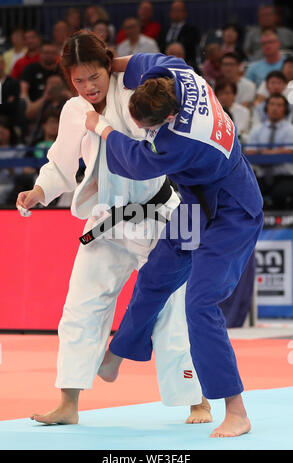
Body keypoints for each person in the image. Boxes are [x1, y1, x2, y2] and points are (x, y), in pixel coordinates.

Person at [16, 31, 210, 426]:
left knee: (176, 311)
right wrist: (39, 190)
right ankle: (68, 403)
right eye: (78, 80)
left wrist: (123, 66)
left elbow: (176, 76)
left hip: (162, 219)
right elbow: (61, 163)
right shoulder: (73, 111)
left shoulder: (138, 90)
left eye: (95, 76)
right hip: (107, 220)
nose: (88, 87)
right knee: (80, 307)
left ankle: (198, 400)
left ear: (109, 66)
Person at [85, 52, 263, 437]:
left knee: (199, 302)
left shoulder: (181, 139)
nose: (134, 125)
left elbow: (135, 162)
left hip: (231, 212)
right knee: (156, 276)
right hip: (196, 204)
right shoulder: (176, 74)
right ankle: (119, 354)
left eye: (142, 123)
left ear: (167, 118)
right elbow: (151, 59)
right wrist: (104, 62)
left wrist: (103, 130)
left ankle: (236, 409)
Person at [245, 93, 293, 209]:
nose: (275, 108)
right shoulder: (256, 130)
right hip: (261, 176)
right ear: (267, 108)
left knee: (280, 193)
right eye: (272, 104)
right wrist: (278, 151)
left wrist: (262, 153)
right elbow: (249, 153)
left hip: (284, 177)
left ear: (285, 109)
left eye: (279, 105)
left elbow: (289, 152)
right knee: (248, 191)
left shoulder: (291, 130)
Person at [19, 41, 62, 121]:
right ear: (40, 53)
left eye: (53, 53)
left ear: (57, 54)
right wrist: (45, 96)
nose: (49, 55)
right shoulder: (30, 69)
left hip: (62, 106)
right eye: (46, 52)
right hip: (36, 106)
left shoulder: (63, 70)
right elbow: (23, 93)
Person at [215, 79, 250, 143]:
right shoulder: (213, 111)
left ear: (234, 95)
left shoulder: (244, 111)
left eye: (227, 93)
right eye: (221, 93)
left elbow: (239, 131)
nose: (224, 97)